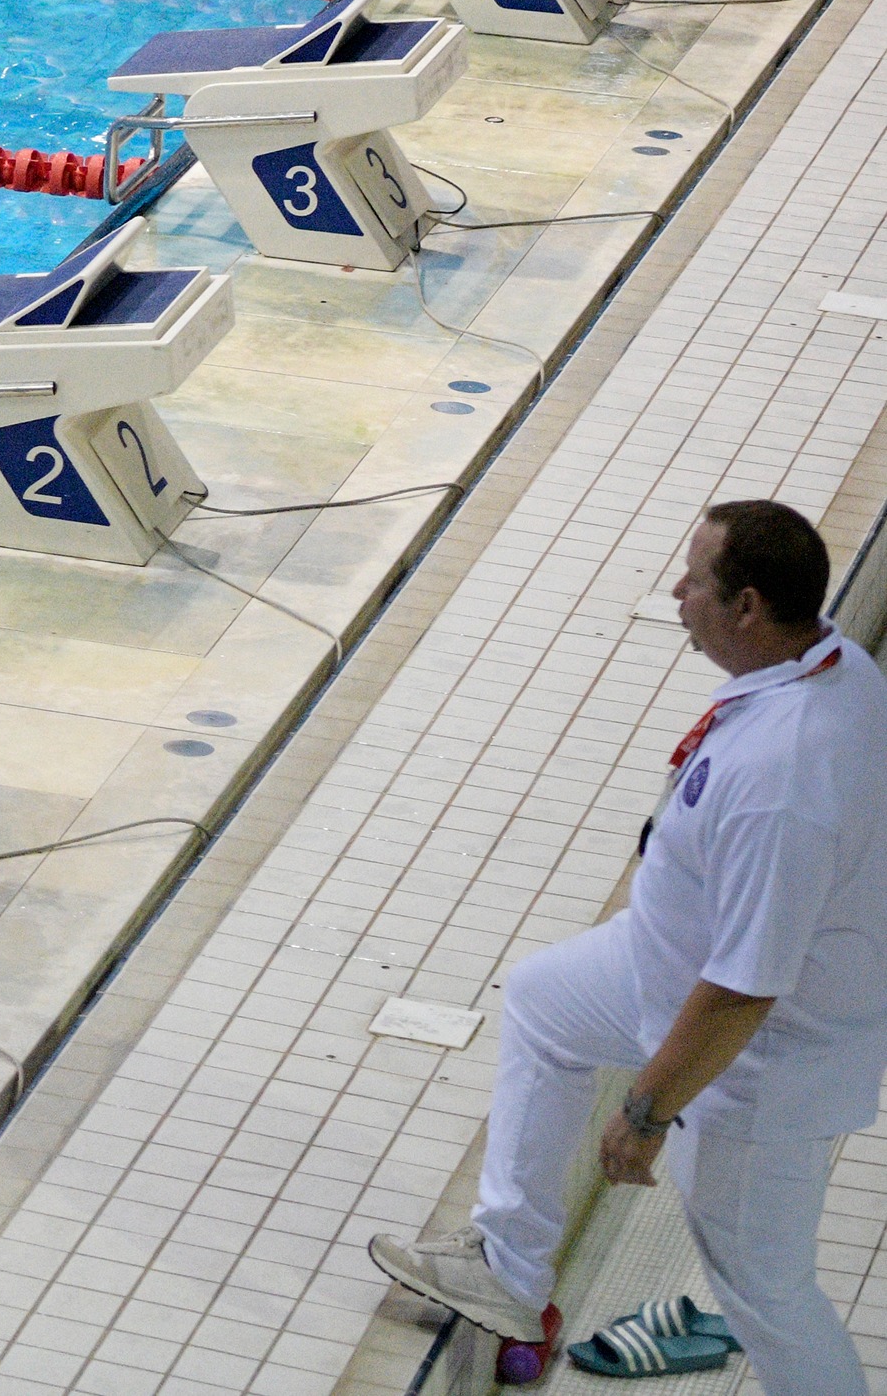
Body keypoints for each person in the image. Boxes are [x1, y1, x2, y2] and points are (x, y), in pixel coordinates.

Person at [370, 503, 887, 1395]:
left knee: (765, 1290)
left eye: (696, 581)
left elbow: (743, 990)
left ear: (749, 607)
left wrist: (644, 1115)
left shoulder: (784, 779)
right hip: (661, 963)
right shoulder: (831, 660)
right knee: (543, 1001)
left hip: (759, 1066)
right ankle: (509, 1268)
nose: (677, 593)